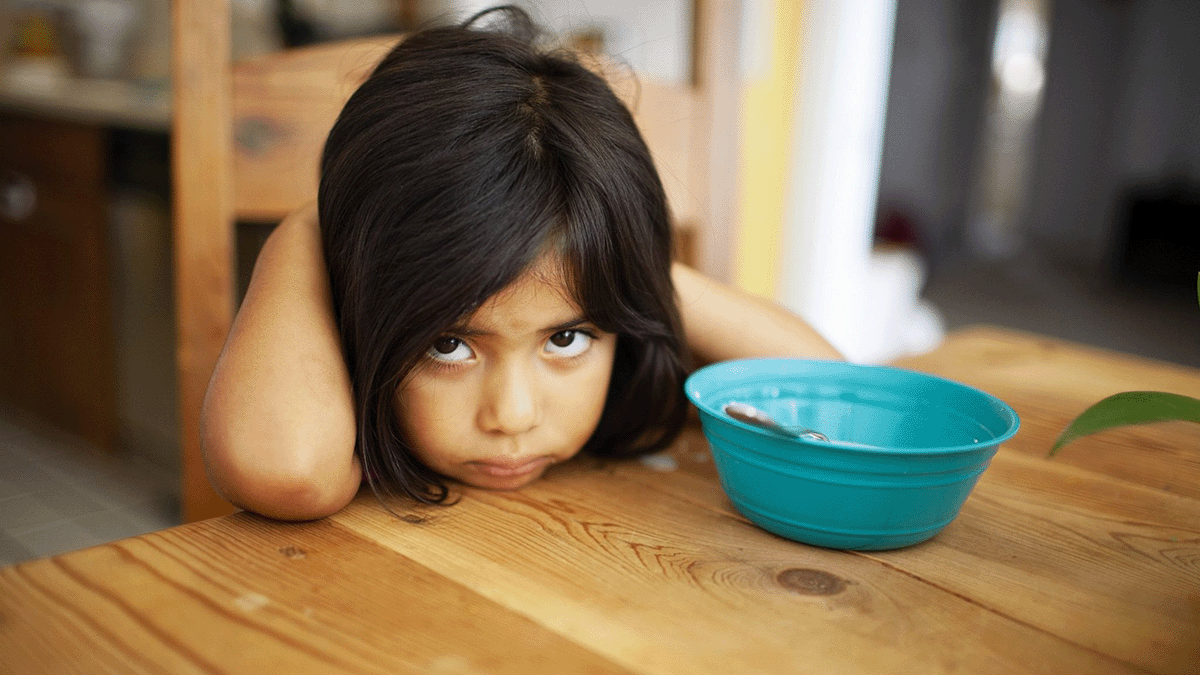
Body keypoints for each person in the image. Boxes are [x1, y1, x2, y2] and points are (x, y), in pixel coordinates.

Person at [200, 6, 841, 522]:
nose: (512, 416)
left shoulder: (632, 357)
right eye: (448, 345)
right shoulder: (316, 395)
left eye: (566, 338)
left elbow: (827, 396)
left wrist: (627, 260)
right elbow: (284, 472)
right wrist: (308, 225)